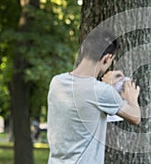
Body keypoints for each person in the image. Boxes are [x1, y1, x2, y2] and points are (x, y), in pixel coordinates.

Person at [47, 28, 141, 164]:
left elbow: (86, 104)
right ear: (107, 58)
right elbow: (135, 117)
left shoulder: (56, 82)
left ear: (84, 49)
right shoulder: (101, 92)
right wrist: (131, 98)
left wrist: (106, 87)